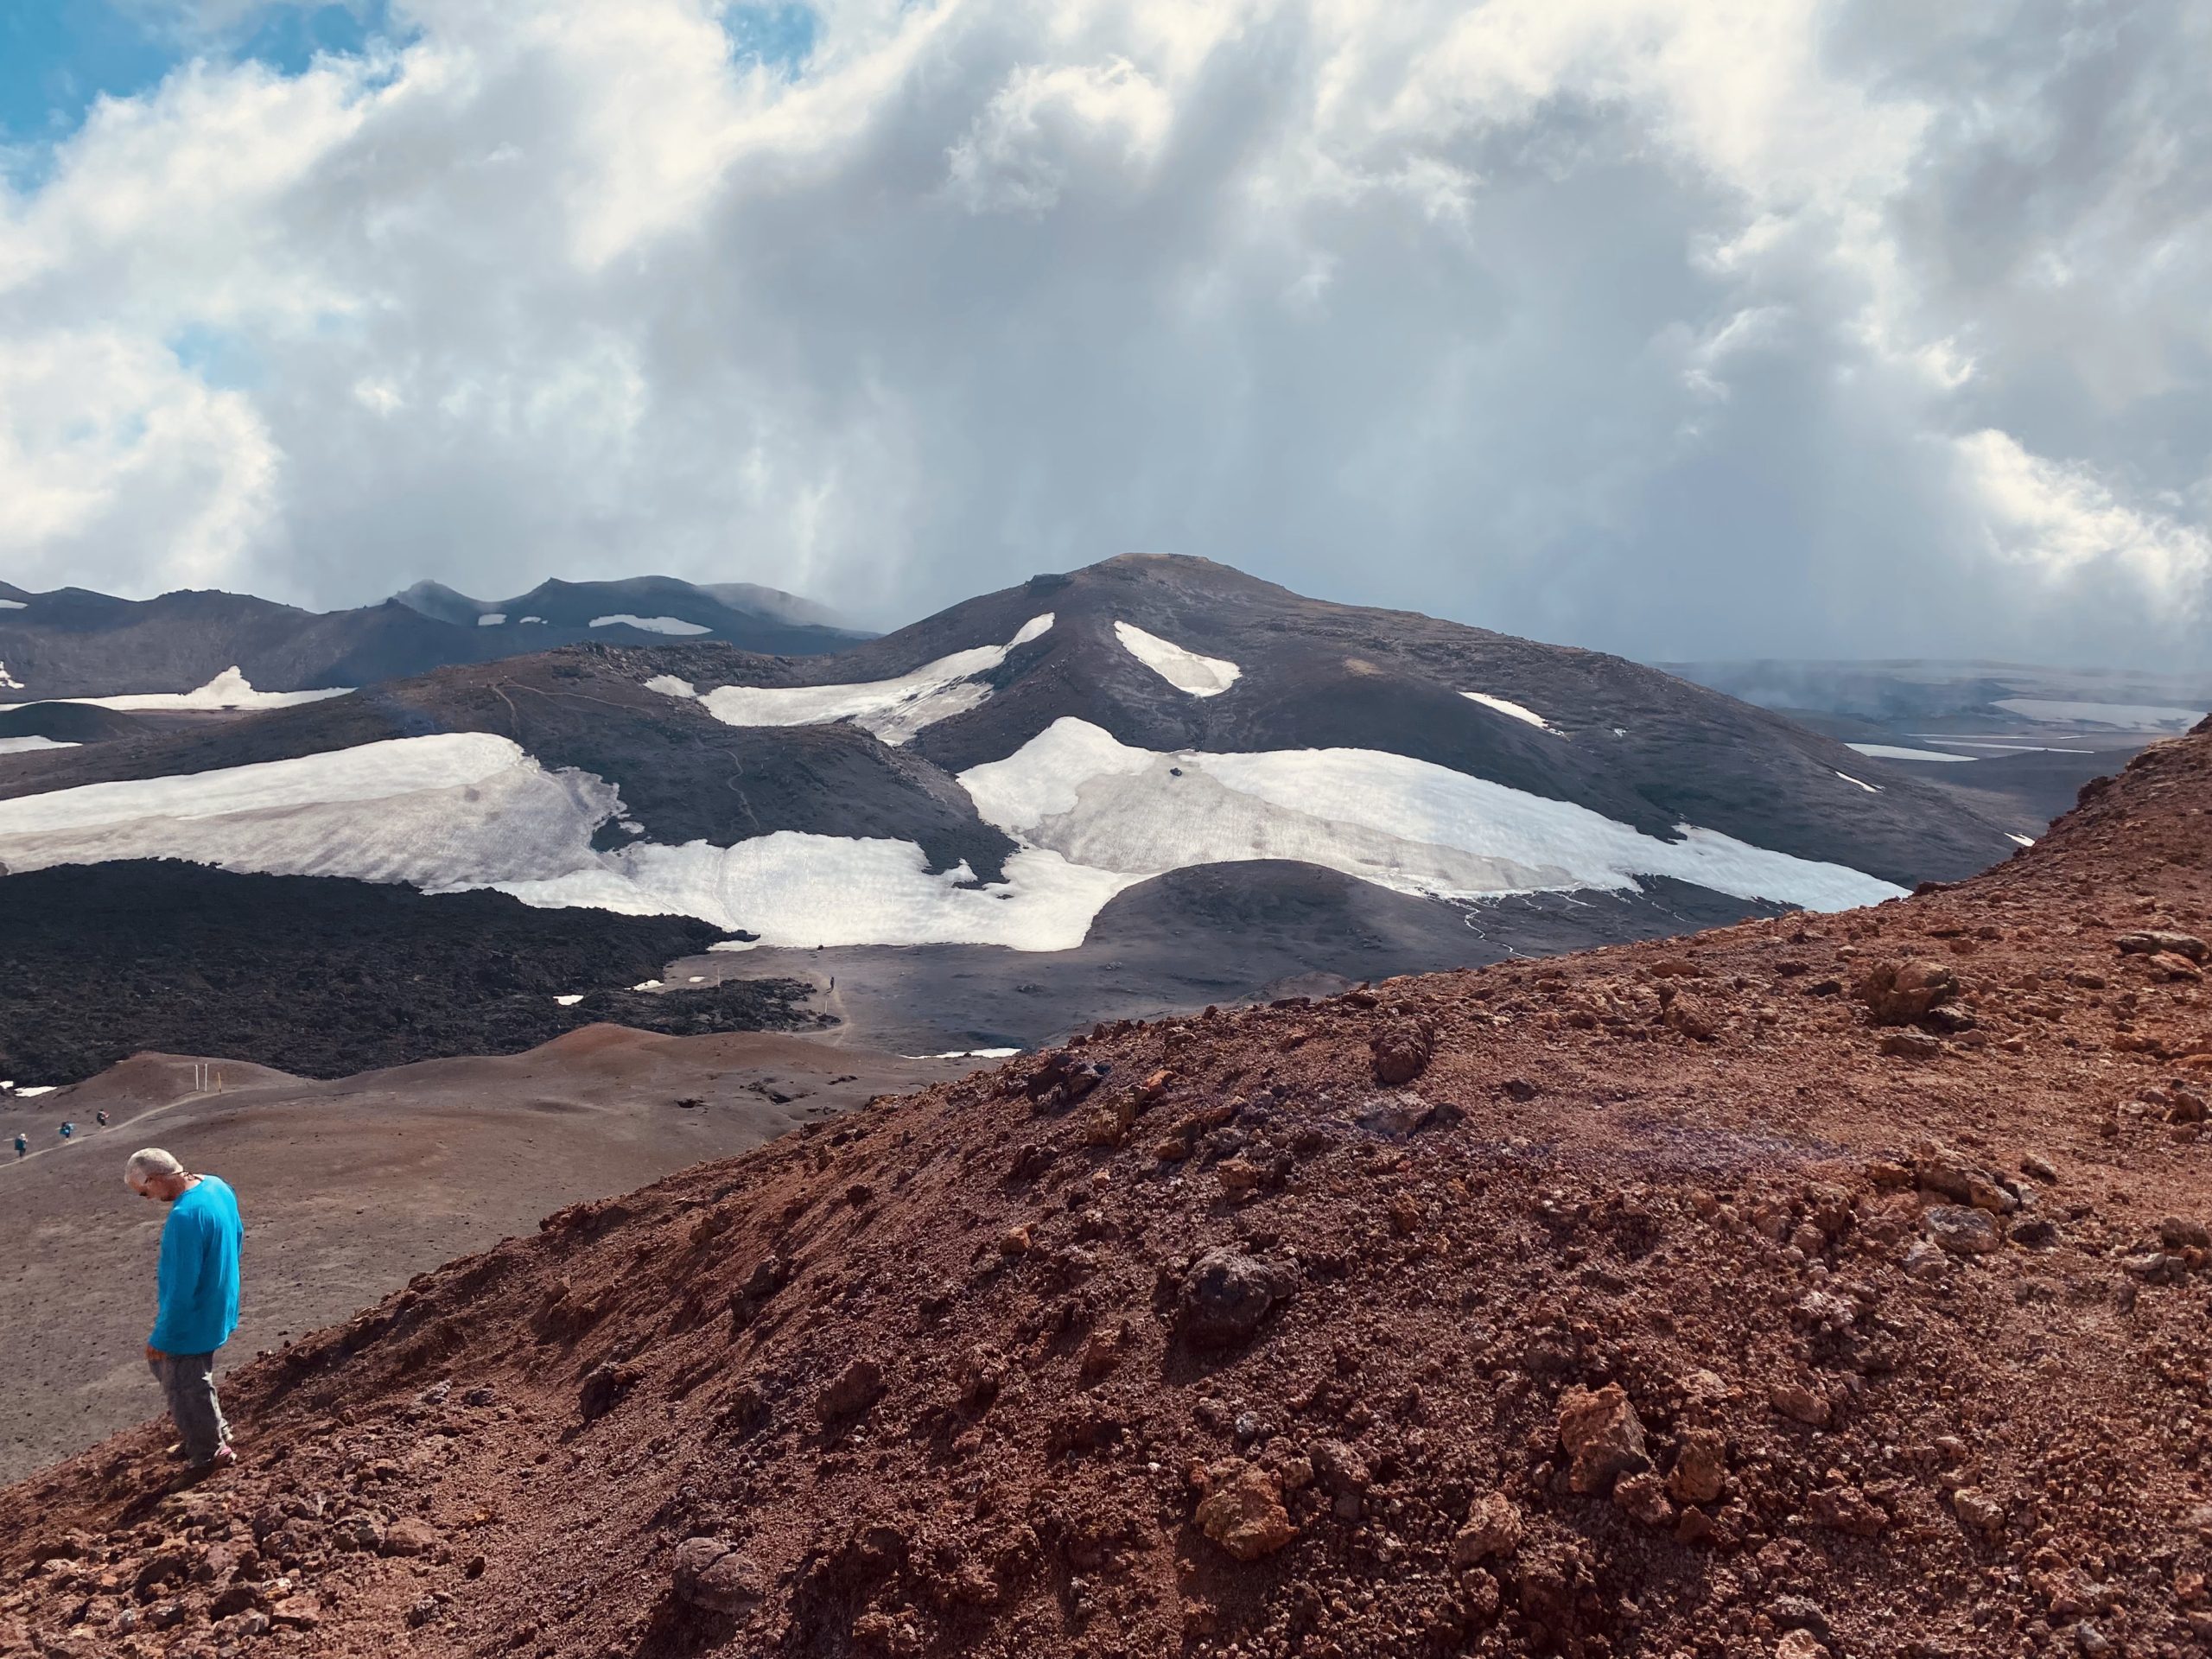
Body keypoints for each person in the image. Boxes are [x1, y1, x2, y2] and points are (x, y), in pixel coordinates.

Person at [124, 1148, 243, 1473]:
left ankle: (209, 1455)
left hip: (193, 1320)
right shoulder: (216, 1186)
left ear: (154, 1179)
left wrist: (163, 1337)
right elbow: (238, 1236)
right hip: (219, 1303)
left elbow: (180, 1289)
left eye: (144, 1191)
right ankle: (215, 1431)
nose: (147, 1198)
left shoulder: (184, 1217)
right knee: (194, 1377)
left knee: (181, 1384)